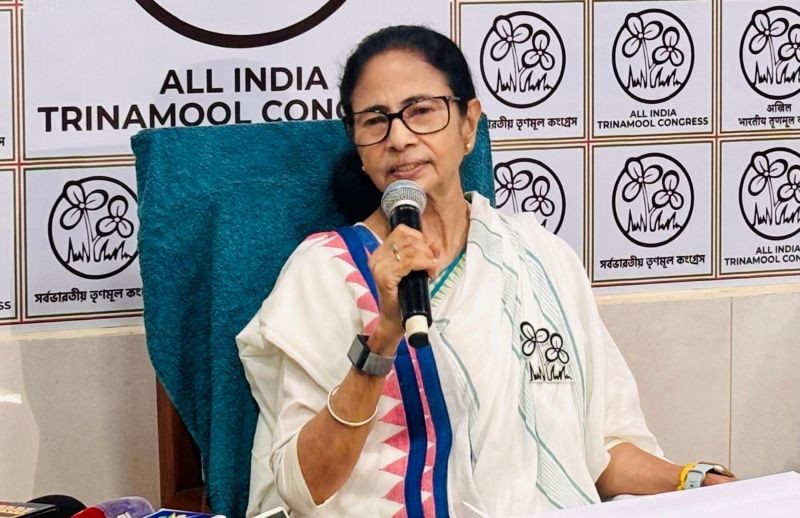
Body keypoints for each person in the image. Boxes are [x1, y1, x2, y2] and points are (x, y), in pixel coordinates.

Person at [236, 25, 734, 517]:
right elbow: (303, 488)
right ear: (358, 147)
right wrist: (384, 336)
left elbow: (600, 452)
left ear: (469, 124)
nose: (399, 138)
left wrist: (692, 479)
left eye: (421, 111)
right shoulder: (325, 272)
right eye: (375, 121)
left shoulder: (540, 260)